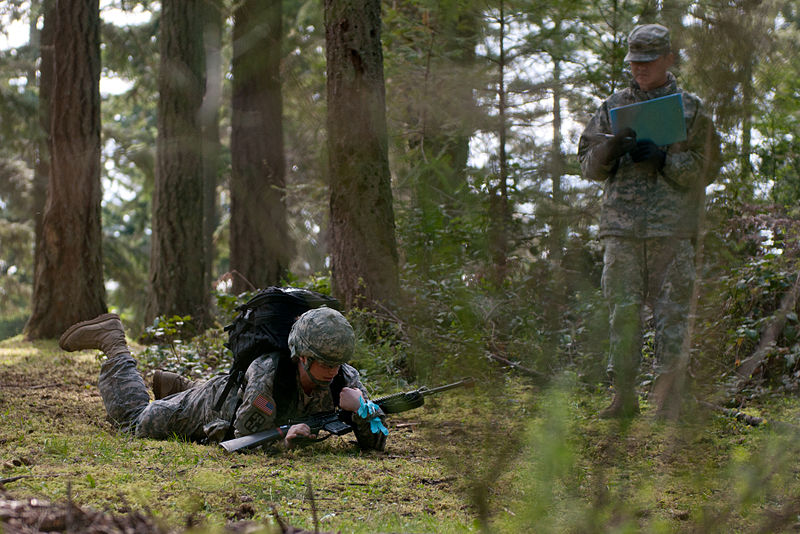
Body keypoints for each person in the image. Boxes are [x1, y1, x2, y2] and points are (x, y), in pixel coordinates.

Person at [577, 24, 721, 418]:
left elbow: (708, 168)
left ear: (668, 59)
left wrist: (665, 159)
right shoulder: (611, 107)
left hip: (672, 231)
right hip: (621, 232)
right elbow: (587, 167)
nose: (639, 69)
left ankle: (669, 400)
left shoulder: (689, 108)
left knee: (672, 315)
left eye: (648, 61)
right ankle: (624, 397)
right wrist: (609, 148)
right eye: (634, 62)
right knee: (622, 312)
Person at [58, 307, 388, 450]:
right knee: (135, 423)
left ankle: (177, 386)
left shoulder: (347, 378)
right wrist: (284, 438)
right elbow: (246, 430)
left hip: (236, 398)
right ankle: (113, 343)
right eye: (323, 363)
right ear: (302, 356)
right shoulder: (267, 376)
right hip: (215, 408)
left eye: (337, 363)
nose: (332, 372)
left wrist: (364, 413)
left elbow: (375, 443)